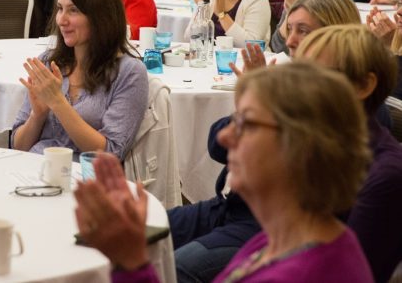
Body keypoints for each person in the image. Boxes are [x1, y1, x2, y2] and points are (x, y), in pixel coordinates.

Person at [74, 62, 373, 283]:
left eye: (246, 124)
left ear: (303, 146)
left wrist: (132, 265)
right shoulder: (280, 240)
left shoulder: (302, 272)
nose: (224, 137)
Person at [169, 0, 361, 283]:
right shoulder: (290, 82)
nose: (291, 40)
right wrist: (252, 98)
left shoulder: (336, 104)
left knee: (177, 267)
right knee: (143, 228)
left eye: (304, 30)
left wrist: (258, 99)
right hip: (228, 207)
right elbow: (216, 145)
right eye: (290, 28)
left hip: (257, 221)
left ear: (333, 35)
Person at [295, 25, 402, 283]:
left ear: (364, 85)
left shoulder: (387, 174)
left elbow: (345, 272)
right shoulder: (315, 139)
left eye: (317, 75)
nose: (300, 86)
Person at [12, 0, 148, 159]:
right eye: (60, 8)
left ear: (101, 16)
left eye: (73, 10)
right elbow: (17, 147)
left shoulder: (129, 72)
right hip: (33, 174)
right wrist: (38, 115)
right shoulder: (49, 62)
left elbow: (110, 154)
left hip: (86, 181)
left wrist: (58, 102)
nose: (61, 20)